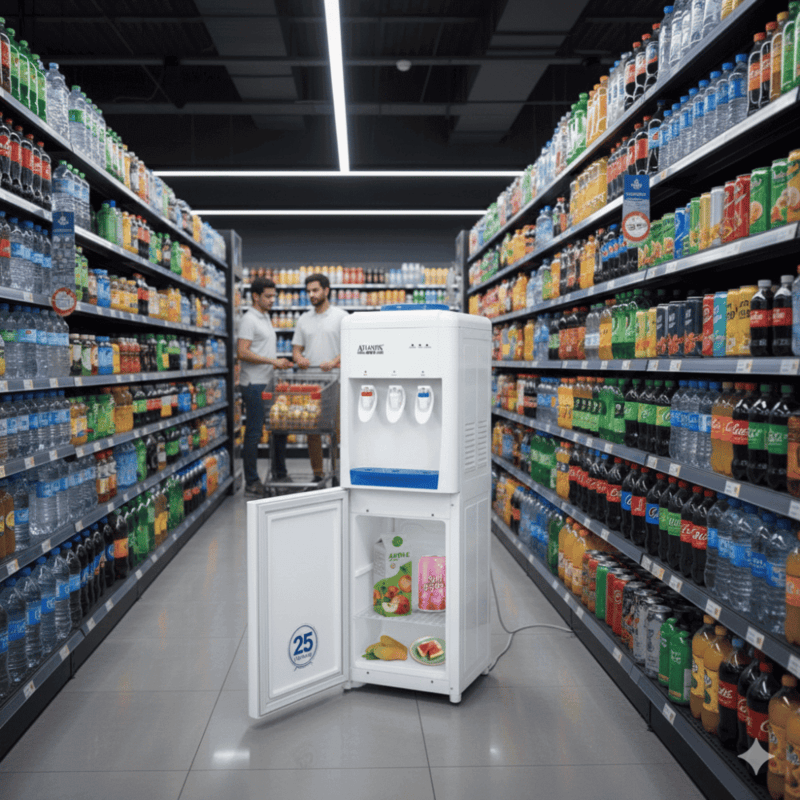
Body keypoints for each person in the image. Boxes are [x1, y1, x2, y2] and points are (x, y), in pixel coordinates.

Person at [237, 277, 293, 495]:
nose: (272, 300)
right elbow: (242, 352)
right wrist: (272, 361)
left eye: (274, 296)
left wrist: (279, 364)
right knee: (254, 431)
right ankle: (251, 482)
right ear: (255, 296)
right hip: (254, 384)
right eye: (268, 296)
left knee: (280, 427)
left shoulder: (265, 318)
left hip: (269, 382)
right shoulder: (249, 319)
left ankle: (280, 471)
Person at [292, 273, 348, 482]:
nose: (311, 295)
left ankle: (335, 472)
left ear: (326, 290)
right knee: (312, 431)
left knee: (335, 431)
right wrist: (299, 358)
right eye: (308, 291)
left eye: (315, 290)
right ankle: (317, 474)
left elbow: (351, 346)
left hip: (335, 382)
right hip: (310, 384)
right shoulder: (303, 319)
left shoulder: (342, 317)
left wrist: (334, 361)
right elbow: (296, 349)